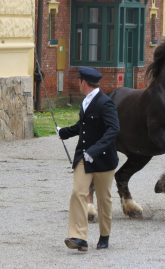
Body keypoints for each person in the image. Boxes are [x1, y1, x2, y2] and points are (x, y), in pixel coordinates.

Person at [58, 66, 120, 252]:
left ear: (83, 83)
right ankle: (79, 238)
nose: (78, 83)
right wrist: (64, 132)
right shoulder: (85, 102)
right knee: (78, 192)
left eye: (79, 81)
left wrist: (94, 150)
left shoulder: (105, 103)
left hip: (103, 160)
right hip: (83, 158)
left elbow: (113, 129)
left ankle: (104, 235)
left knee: (103, 199)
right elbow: (83, 126)